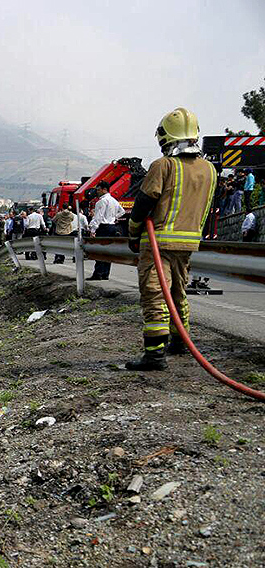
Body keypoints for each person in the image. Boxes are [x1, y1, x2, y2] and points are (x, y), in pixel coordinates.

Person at [124, 107, 216, 371]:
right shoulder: (210, 170)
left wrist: (133, 231)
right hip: (187, 244)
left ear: (166, 137)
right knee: (178, 292)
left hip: (158, 243)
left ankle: (154, 355)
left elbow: (144, 201)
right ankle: (180, 341)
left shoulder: (163, 165)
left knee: (154, 294)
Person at [86, 181, 126, 280]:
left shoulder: (101, 201)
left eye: (98, 190)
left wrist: (93, 229)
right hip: (112, 227)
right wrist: (114, 217)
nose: (97, 192)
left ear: (104, 190)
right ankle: (105, 274)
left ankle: (98, 274)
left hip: (103, 227)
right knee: (108, 252)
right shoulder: (114, 200)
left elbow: (98, 217)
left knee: (100, 252)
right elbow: (122, 211)